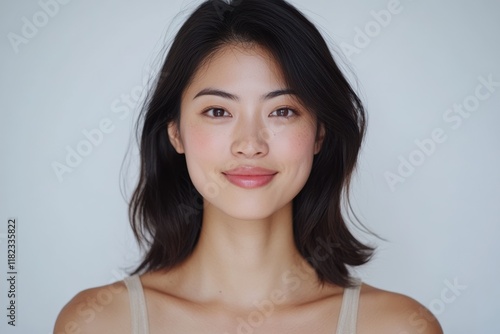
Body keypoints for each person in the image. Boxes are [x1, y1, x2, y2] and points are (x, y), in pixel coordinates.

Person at [54, 0, 443, 333]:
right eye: (218, 111)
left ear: (319, 133)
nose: (250, 145)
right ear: (175, 132)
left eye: (283, 111)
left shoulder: (398, 326)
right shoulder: (97, 323)